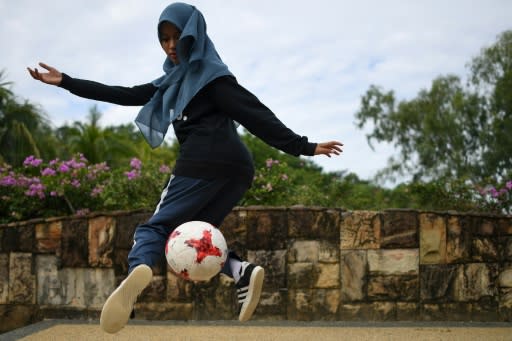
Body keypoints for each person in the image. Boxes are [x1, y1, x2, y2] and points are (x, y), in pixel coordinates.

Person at [28, 2, 343, 334]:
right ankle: (241, 272)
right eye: (164, 39)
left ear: (194, 36)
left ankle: (139, 269)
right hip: (237, 168)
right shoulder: (173, 81)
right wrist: (66, 81)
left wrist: (303, 146)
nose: (170, 46)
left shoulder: (212, 77)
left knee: (152, 230)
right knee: (197, 238)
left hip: (202, 163)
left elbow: (254, 113)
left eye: (178, 37)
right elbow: (124, 94)